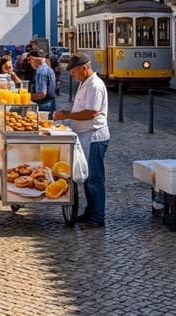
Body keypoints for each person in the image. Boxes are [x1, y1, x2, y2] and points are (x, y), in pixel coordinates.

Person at [53, 53, 109, 229]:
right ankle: (90, 211)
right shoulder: (85, 83)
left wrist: (67, 115)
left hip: (94, 137)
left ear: (84, 68)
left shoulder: (95, 85)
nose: (72, 75)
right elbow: (82, 109)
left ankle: (98, 217)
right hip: (84, 135)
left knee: (95, 178)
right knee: (86, 177)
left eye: (74, 72)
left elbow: (91, 112)